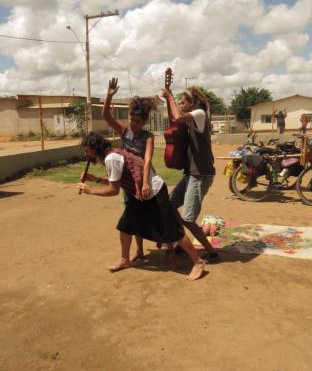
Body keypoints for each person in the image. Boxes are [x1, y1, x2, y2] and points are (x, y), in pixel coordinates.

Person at [77, 132, 206, 281]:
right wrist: (96, 179)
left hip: (155, 192)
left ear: (95, 148)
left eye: (87, 150)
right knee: (125, 225)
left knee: (172, 229)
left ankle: (198, 262)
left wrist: (89, 190)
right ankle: (125, 259)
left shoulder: (111, 158)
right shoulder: (112, 154)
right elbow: (119, 181)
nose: (85, 153)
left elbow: (114, 190)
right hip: (139, 194)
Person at [162, 86, 219, 262]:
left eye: (183, 101)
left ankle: (211, 252)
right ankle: (181, 242)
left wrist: (170, 96)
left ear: (193, 104)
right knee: (170, 206)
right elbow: (175, 118)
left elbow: (177, 116)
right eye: (179, 101)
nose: (180, 104)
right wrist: (168, 100)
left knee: (187, 219)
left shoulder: (200, 114)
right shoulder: (191, 119)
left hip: (201, 175)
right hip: (191, 174)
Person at [102, 77, 156, 262]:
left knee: (156, 213)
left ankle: (170, 243)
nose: (133, 123)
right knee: (133, 217)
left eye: (138, 121)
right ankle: (139, 251)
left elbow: (148, 159)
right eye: (132, 119)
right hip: (129, 184)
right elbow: (106, 116)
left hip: (145, 181)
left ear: (144, 122)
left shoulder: (148, 136)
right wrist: (109, 96)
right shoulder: (125, 132)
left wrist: (146, 182)